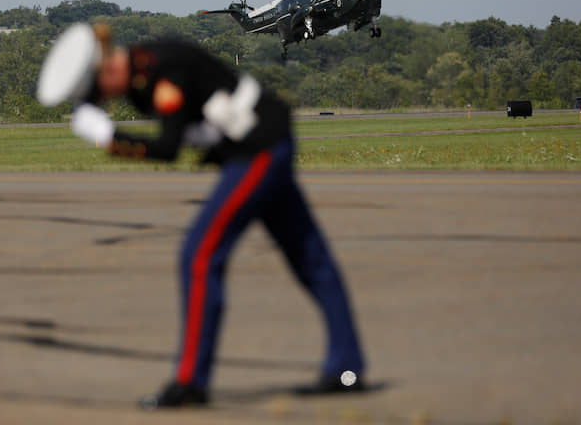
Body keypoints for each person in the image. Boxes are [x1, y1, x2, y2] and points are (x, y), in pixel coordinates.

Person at [37, 23, 365, 408]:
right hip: (258, 143)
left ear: (107, 70)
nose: (102, 100)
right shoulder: (143, 73)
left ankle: (191, 382)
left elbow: (168, 147)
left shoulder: (160, 71)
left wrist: (110, 139)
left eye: (96, 91)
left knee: (200, 254)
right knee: (310, 257)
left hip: (256, 149)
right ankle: (348, 369)